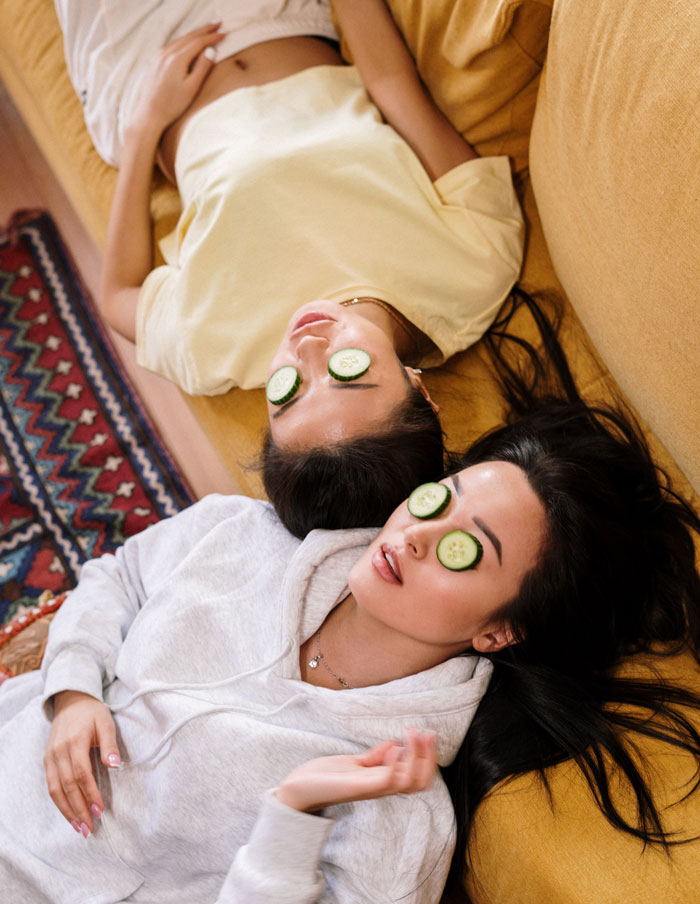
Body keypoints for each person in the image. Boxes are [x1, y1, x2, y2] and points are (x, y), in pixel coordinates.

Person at [54, 0, 524, 533]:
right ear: (420, 392)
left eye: (285, 392)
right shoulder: (477, 266)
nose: (308, 350)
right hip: (283, 15)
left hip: (142, 63)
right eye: (349, 375)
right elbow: (393, 84)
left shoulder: (213, 347)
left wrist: (143, 127)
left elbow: (118, 295)